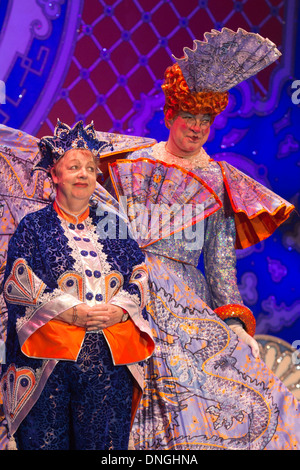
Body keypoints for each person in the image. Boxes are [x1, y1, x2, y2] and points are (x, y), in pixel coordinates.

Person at [108, 28, 300, 450]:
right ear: (170, 116)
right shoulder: (131, 162)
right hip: (127, 288)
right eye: (188, 117)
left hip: (184, 295)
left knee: (200, 398)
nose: (195, 128)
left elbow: (218, 261)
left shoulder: (217, 178)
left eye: (205, 120)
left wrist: (233, 319)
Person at [0, 120, 154, 450]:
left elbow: (139, 275)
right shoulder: (33, 227)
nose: (83, 174)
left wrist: (118, 311)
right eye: (73, 167)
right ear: (55, 174)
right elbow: (17, 282)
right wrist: (70, 312)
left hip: (108, 368)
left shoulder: (114, 226)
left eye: (90, 167)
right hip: (47, 365)